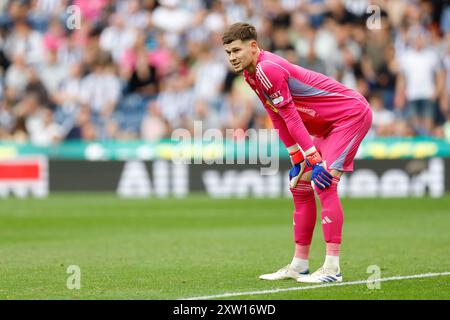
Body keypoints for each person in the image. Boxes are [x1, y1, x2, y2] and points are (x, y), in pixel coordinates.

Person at [222, 22, 373, 283]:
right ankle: (299, 264)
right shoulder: (250, 74)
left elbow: (291, 116)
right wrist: (296, 157)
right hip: (324, 125)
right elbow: (275, 114)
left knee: (324, 182)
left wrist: (313, 159)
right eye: (228, 53)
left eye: (236, 50)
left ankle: (332, 268)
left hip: (349, 115)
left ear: (254, 46)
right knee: (299, 186)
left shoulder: (267, 68)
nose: (232, 57)